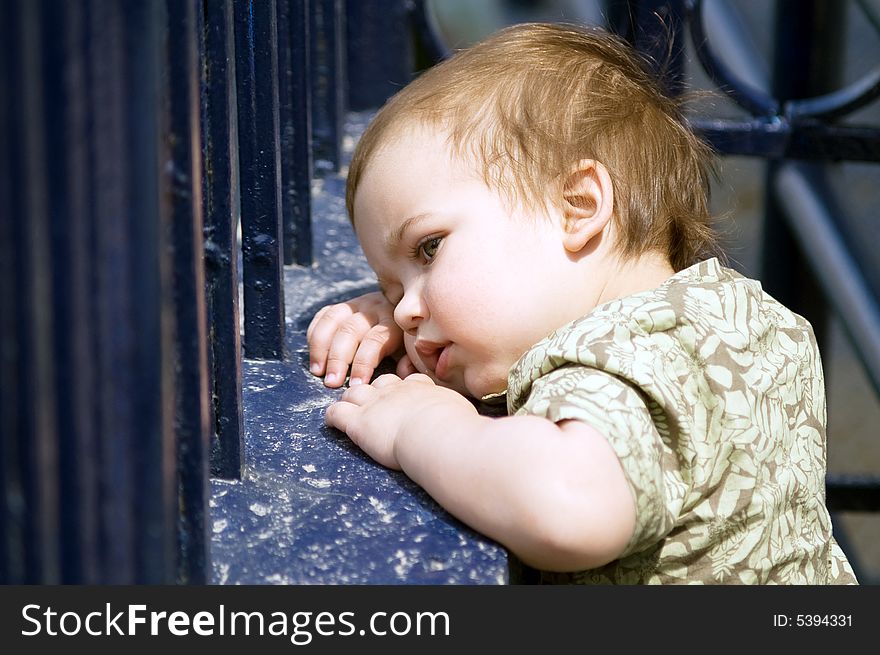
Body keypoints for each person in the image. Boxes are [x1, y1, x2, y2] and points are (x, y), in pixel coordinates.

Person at [306, 22, 857, 584]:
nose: (403, 310)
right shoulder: (740, 318)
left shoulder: (621, 360)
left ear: (578, 206)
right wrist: (405, 318)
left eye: (428, 248)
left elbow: (566, 508)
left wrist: (422, 427)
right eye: (393, 288)